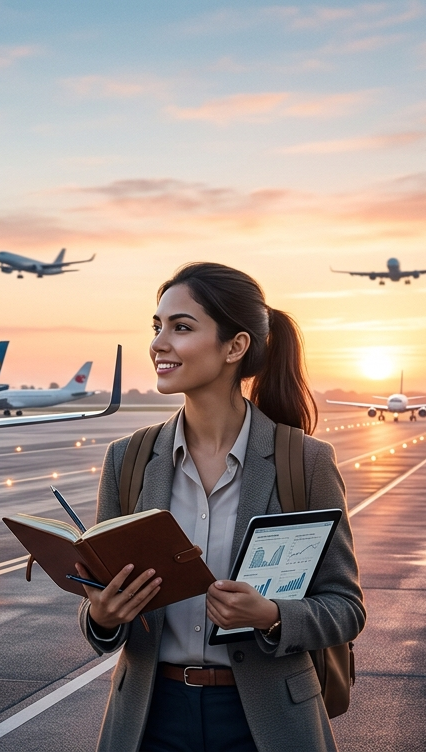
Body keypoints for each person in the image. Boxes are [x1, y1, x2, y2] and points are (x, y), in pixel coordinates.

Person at [76, 263, 364, 752]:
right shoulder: (127, 460)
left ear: (235, 347)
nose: (159, 343)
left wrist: (271, 614)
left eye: (181, 327)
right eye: (157, 327)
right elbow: (98, 602)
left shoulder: (306, 462)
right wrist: (102, 617)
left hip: (265, 722)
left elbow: (345, 607)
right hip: (149, 717)